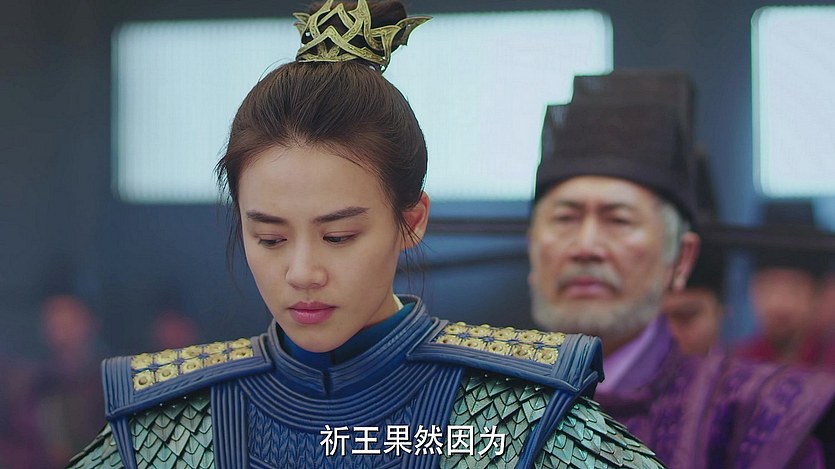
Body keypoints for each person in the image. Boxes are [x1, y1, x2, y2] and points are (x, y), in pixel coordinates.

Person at [69, 2, 663, 467]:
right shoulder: (160, 428)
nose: (302, 272)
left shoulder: (516, 420)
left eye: (339, 236)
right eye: (270, 239)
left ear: (413, 220)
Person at [528, 70, 835, 467]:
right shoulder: (475, 399)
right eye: (565, 218)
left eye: (618, 220)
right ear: (532, 248)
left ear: (680, 259)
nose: (586, 247)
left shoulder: (760, 415)